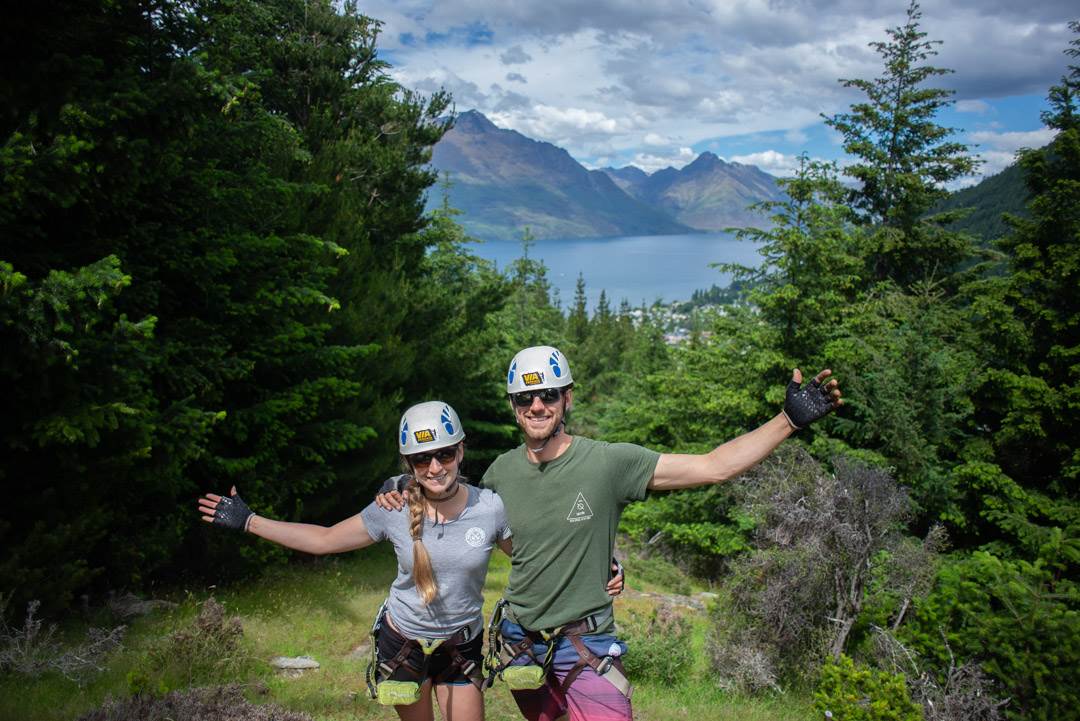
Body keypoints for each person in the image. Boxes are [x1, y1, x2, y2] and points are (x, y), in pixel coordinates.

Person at [378, 346, 843, 721]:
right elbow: (470, 514)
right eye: (525, 398)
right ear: (514, 406)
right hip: (523, 648)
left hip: (587, 642)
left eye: (549, 396)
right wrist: (401, 486)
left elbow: (713, 466)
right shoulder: (501, 473)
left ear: (568, 399)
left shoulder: (608, 462)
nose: (537, 406)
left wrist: (788, 421)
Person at [198, 400, 624, 721]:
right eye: (422, 459)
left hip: (461, 645)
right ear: (409, 463)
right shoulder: (393, 509)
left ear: (460, 451)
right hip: (404, 644)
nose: (435, 467)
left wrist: (603, 566)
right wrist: (250, 521)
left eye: (444, 454)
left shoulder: (490, 507)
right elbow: (325, 539)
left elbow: (535, 557)